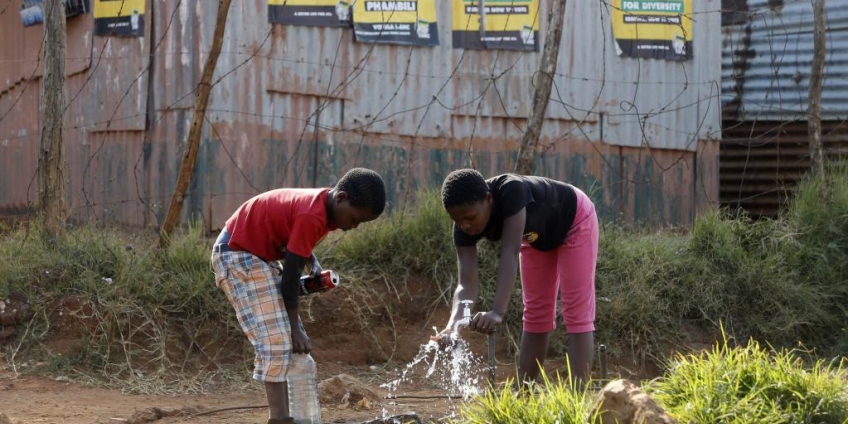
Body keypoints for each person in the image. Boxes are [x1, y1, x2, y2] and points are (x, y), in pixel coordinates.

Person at [211, 168, 386, 424]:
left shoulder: (324, 211)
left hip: (257, 257)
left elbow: (294, 240)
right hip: (238, 256)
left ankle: (293, 416)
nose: (354, 226)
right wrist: (294, 327)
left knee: (288, 344)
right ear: (341, 198)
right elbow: (291, 278)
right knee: (278, 338)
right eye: (355, 219)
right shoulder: (313, 214)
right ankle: (280, 419)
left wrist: (310, 261)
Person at [435, 169, 599, 388]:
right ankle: (524, 395)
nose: (465, 225)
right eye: (457, 220)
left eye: (470, 218)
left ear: (488, 199)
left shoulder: (511, 190)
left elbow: (510, 252)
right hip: (535, 237)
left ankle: (577, 401)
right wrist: (453, 326)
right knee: (536, 313)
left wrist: (496, 311)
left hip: (574, 220)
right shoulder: (463, 224)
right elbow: (466, 284)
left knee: (576, 312)